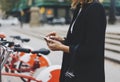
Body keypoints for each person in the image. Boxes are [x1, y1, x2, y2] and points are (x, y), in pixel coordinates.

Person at [45, 0, 106, 82]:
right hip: (72, 71)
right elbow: (78, 40)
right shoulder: (79, 7)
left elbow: (91, 49)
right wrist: (61, 40)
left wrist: (61, 47)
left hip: (86, 74)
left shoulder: (96, 8)